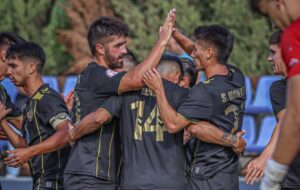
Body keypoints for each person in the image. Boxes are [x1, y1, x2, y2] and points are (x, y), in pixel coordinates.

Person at [69, 55, 246, 189]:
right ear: (177, 76)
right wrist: (231, 140)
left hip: (133, 182)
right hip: (171, 183)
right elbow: (198, 128)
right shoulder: (181, 95)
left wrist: (74, 132)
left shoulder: (126, 94)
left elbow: (98, 118)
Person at [64, 9, 176, 190]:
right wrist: (162, 42)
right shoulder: (96, 74)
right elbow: (138, 79)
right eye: (118, 45)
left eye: (124, 45)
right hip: (90, 175)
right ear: (100, 49)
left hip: (101, 175)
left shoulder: (99, 77)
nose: (124, 51)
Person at [143, 25, 246, 190]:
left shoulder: (204, 92)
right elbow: (197, 51)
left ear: (210, 53)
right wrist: (175, 34)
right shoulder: (236, 76)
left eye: (196, 50)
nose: (191, 53)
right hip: (228, 172)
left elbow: (173, 124)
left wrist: (158, 90)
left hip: (206, 176)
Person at [0, 42, 71, 190]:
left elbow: (66, 133)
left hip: (54, 183)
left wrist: (28, 152)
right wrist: (2, 122)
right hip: (41, 181)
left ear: (31, 67)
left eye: (14, 66)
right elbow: (25, 145)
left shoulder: (47, 98)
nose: (9, 72)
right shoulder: (32, 103)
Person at [248, 1, 300, 189]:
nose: (274, 24)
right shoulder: (279, 87)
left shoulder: (293, 35)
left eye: (269, 15)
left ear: (279, 3)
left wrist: (271, 175)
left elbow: (293, 117)